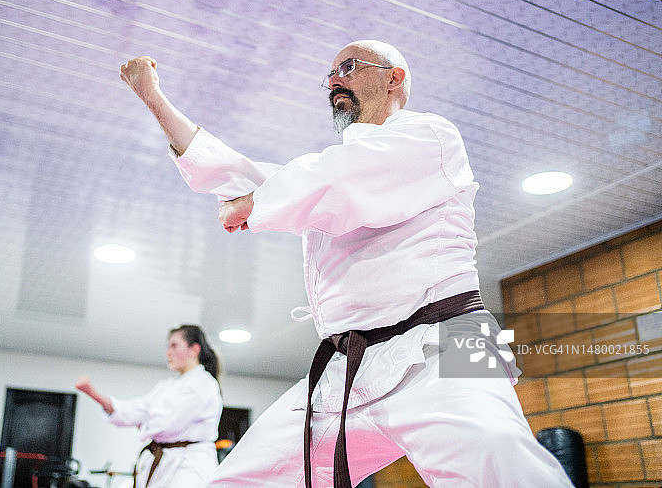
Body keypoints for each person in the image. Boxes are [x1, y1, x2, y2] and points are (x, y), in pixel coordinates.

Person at [118, 41, 573, 487]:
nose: (334, 79)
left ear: (395, 78)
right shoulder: (316, 178)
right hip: (350, 364)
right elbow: (234, 171)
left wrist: (255, 203)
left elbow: (337, 176)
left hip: (450, 340)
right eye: (330, 74)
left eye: (349, 67)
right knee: (244, 478)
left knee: (501, 460)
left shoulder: (430, 134)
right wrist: (154, 98)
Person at [75, 325, 222, 488]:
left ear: (194, 350)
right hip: (164, 462)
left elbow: (167, 425)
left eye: (174, 345)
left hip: (190, 466)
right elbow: (135, 410)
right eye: (168, 346)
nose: (168, 352)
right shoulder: (166, 386)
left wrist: (144, 423)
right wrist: (94, 394)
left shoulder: (203, 384)